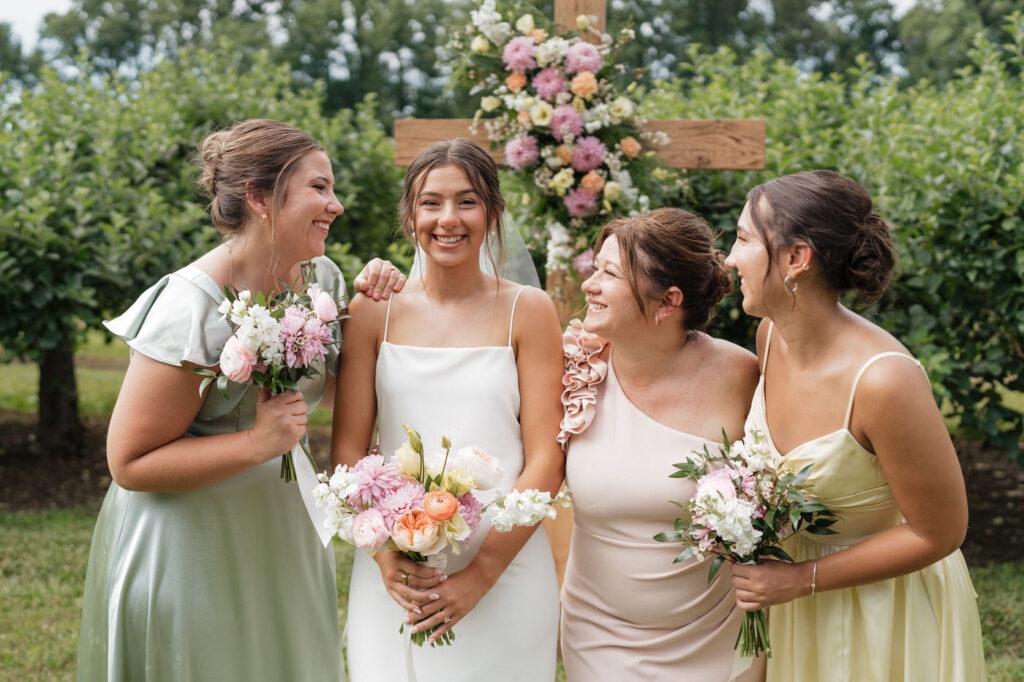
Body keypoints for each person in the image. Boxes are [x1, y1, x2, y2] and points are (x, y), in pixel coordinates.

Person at [77, 118, 404, 681]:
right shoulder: (190, 305)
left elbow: (346, 387)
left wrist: (380, 297)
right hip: (189, 546)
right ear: (259, 198)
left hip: (282, 531)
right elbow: (128, 463)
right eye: (319, 187)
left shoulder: (321, 281)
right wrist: (257, 443)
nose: (337, 204)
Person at [725, 169, 986, 681]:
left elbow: (940, 531)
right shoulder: (769, 337)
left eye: (743, 239)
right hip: (795, 612)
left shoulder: (885, 381)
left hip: (884, 616)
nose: (731, 258)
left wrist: (801, 579)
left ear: (796, 258)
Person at [331, 138, 564, 681]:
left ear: (493, 213)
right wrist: (387, 556)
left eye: (467, 201)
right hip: (397, 575)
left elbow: (547, 459)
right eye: (431, 203)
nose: (448, 219)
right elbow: (347, 451)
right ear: (410, 216)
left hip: (505, 570)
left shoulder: (528, 311)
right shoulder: (373, 312)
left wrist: (481, 574)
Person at [559, 208, 766, 681]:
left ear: (668, 302)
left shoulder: (742, 375)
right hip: (599, 638)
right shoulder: (575, 367)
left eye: (609, 274)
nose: (589, 285)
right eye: (595, 269)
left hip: (718, 637)